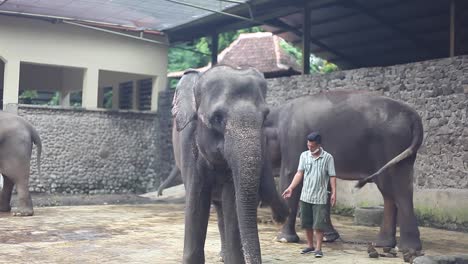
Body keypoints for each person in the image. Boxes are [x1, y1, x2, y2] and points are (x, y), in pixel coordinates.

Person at [282, 131, 337, 258]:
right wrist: (291, 188)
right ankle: (310, 245)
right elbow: (299, 173)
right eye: (308, 145)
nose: (310, 148)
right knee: (306, 223)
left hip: (320, 196)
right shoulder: (304, 156)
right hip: (306, 195)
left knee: (318, 225)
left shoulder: (328, 158)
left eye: (312, 146)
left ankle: (318, 248)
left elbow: (332, 176)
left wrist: (334, 192)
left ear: (318, 145)